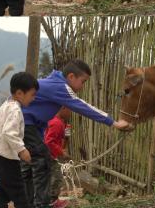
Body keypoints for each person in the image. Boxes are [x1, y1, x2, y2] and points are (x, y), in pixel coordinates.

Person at [21, 59, 130, 208]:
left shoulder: (53, 82)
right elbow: (83, 107)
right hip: (25, 123)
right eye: (83, 81)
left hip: (25, 124)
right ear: (71, 77)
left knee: (28, 165)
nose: (82, 86)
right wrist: (114, 122)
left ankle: (26, 203)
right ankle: (41, 204)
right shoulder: (60, 87)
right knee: (44, 163)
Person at [0, 72, 39, 208]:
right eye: (32, 94)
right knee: (20, 193)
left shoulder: (6, 105)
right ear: (19, 93)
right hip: (4, 159)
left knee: (3, 191)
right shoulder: (15, 110)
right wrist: (22, 150)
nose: (34, 98)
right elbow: (9, 133)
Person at [45, 107, 72, 208]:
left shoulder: (60, 122)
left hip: (51, 155)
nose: (70, 112)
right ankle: (52, 202)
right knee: (57, 178)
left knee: (50, 178)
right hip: (50, 156)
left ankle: (48, 200)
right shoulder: (57, 123)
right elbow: (49, 141)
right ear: (63, 108)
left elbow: (60, 140)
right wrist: (62, 153)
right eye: (69, 109)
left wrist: (62, 150)